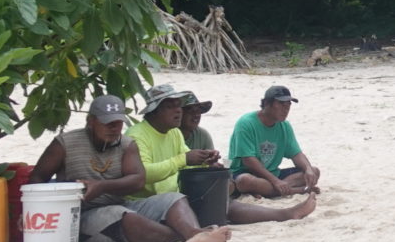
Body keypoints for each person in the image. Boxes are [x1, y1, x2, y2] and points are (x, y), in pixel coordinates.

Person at [31, 94, 230, 242]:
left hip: (122, 202)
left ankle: (195, 234)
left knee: (173, 198)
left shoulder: (126, 144)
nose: (114, 128)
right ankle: (183, 237)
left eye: (118, 123)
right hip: (82, 212)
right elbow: (38, 177)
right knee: (122, 215)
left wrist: (101, 187)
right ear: (91, 121)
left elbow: (137, 179)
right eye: (107, 123)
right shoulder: (65, 143)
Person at [133, 85, 316, 224]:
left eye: (179, 106)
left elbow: (191, 161)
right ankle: (285, 201)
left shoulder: (181, 133)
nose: (179, 111)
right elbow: (144, 174)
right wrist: (185, 160)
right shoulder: (139, 135)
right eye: (171, 107)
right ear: (155, 111)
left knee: (223, 198)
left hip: (179, 190)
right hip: (160, 198)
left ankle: (285, 213)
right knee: (235, 188)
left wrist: (209, 163)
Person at [230, 85, 323, 198]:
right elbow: (248, 161)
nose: (286, 109)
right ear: (267, 104)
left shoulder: (285, 126)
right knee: (244, 181)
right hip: (247, 172)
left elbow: (296, 154)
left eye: (288, 105)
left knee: (314, 171)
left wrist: (308, 169)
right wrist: (275, 181)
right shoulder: (246, 123)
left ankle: (271, 190)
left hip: (273, 173)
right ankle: (296, 190)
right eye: (281, 104)